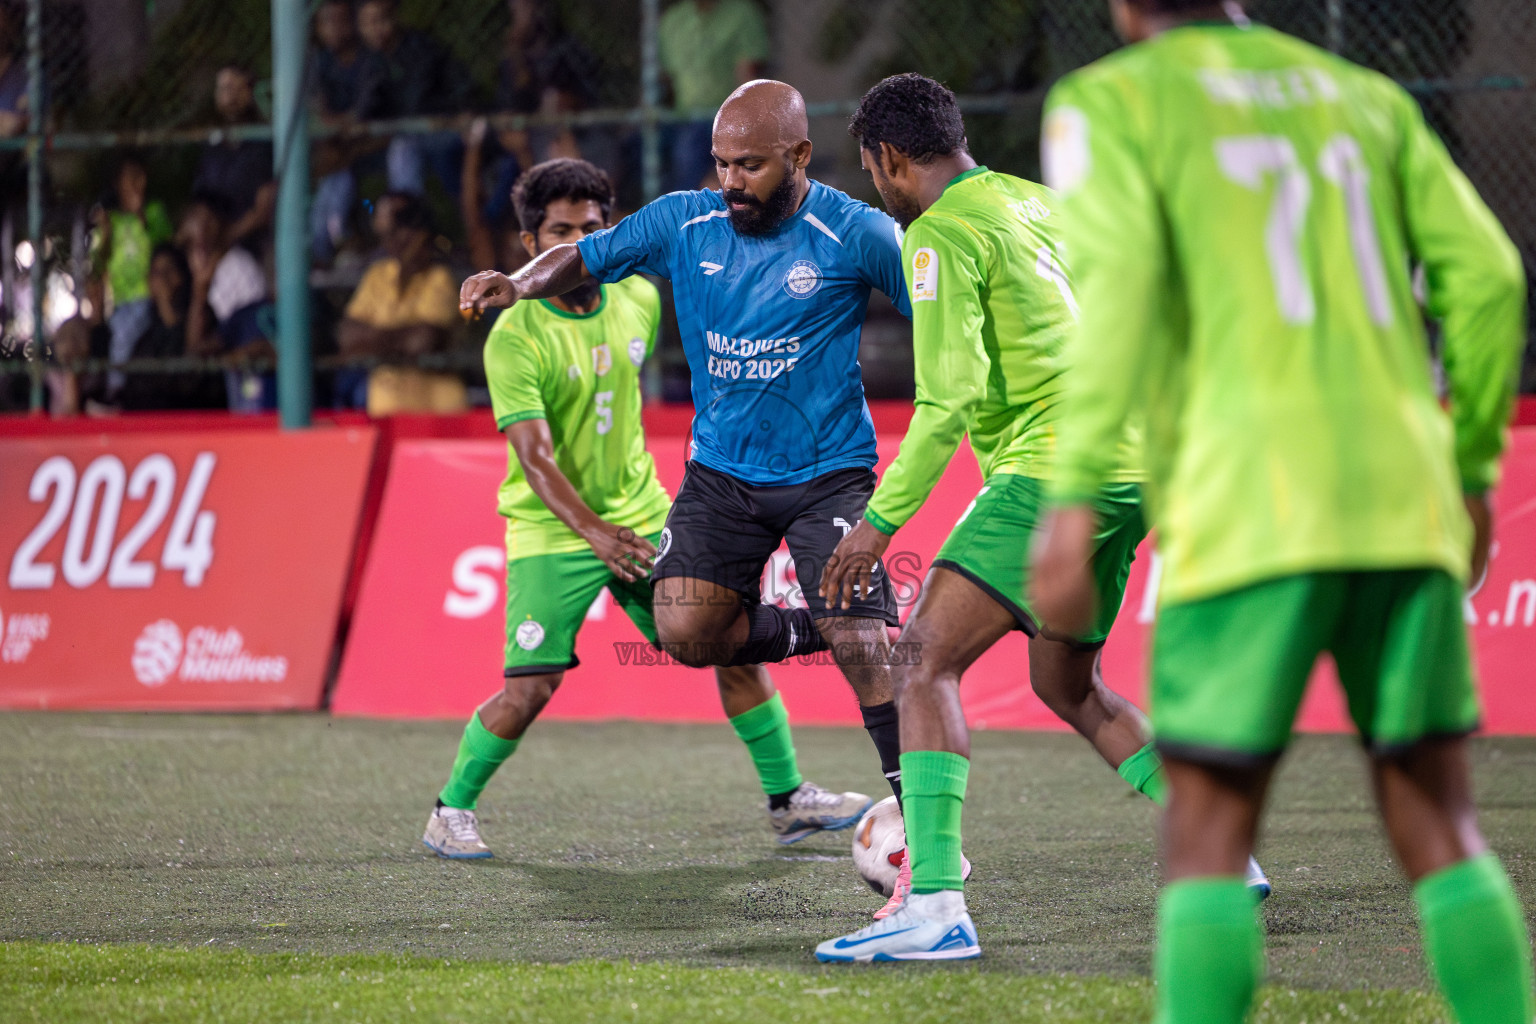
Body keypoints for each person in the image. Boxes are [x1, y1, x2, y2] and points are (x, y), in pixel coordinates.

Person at [1028, 2, 1533, 1022]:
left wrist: (1073, 496)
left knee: (1208, 832)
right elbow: (1487, 279)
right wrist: (1473, 466)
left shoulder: (1110, 102)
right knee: (1438, 816)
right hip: (1401, 501)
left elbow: (1116, 299)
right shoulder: (1367, 99)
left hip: (1246, 499)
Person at [813, 73, 1266, 963]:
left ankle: (935, 906)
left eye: (871, 171)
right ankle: (1220, 853)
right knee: (1068, 684)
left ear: (888, 159)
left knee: (921, 661)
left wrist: (878, 525)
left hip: (1053, 470)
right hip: (1132, 470)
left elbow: (948, 402)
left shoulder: (938, 233)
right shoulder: (1043, 206)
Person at [461, 80, 915, 812]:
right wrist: (517, 284)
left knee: (867, 648)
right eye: (722, 163)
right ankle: (814, 630)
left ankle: (920, 821)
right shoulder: (683, 220)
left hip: (827, 472)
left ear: (799, 154)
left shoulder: (856, 231)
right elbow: (582, 259)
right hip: (721, 477)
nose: (731, 182)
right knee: (686, 630)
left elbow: (937, 305)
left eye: (751, 166)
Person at [337, 191, 466, 414]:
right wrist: (399, 339)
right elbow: (347, 337)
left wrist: (371, 340)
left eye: (401, 230)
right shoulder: (378, 274)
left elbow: (422, 341)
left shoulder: (441, 278)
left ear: (422, 233)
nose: (394, 240)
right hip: (384, 409)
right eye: (388, 233)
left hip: (435, 412)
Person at [354, 0, 472, 200]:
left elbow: (415, 104)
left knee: (404, 150)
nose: (375, 30)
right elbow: (366, 110)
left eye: (379, 20)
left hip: (443, 129)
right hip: (400, 135)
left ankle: (408, 216)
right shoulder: (372, 59)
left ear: (394, 18)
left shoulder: (420, 47)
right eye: (367, 24)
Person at [657, 0, 769, 191]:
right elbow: (665, 80)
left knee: (689, 148)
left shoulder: (742, 13)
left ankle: (692, 209)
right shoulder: (672, 20)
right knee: (637, 147)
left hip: (726, 118)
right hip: (680, 118)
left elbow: (747, 75)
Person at [180, 195, 276, 413]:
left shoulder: (238, 264)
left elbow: (254, 327)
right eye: (195, 220)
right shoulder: (186, 272)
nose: (201, 229)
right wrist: (199, 290)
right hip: (216, 371)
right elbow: (194, 348)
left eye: (208, 221)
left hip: (251, 370)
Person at [93, 155, 174, 399]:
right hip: (119, 299)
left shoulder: (155, 212)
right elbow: (99, 263)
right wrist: (105, 233)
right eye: (130, 178)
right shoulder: (111, 220)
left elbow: (165, 248)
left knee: (123, 337)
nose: (137, 183)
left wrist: (143, 217)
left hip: (147, 295)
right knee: (118, 335)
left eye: (140, 176)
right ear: (118, 183)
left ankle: (115, 391)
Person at [118, 244, 226, 411]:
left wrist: (200, 291)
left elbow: (193, 371)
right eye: (156, 273)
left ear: (184, 277)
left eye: (170, 270)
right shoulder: (144, 343)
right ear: (149, 283)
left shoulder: (206, 321)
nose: (163, 278)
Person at [192, 65, 276, 253]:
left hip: (254, 243)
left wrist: (227, 239)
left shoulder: (262, 142)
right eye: (223, 88)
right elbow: (200, 202)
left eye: (235, 88)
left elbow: (264, 207)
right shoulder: (213, 145)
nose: (230, 96)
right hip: (215, 240)